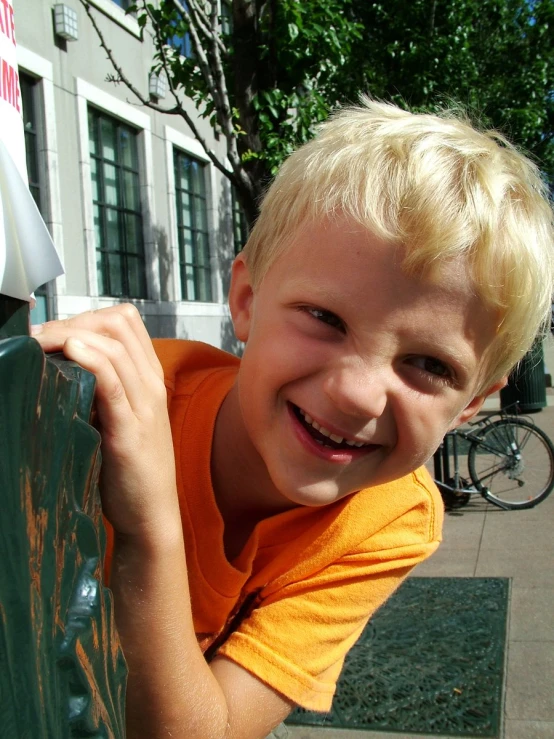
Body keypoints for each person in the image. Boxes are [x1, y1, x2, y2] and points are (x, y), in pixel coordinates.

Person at [32, 98, 554, 739]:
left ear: (472, 403)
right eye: (325, 319)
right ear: (247, 300)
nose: (359, 395)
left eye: (428, 365)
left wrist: (151, 529)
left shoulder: (393, 516)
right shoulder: (93, 405)